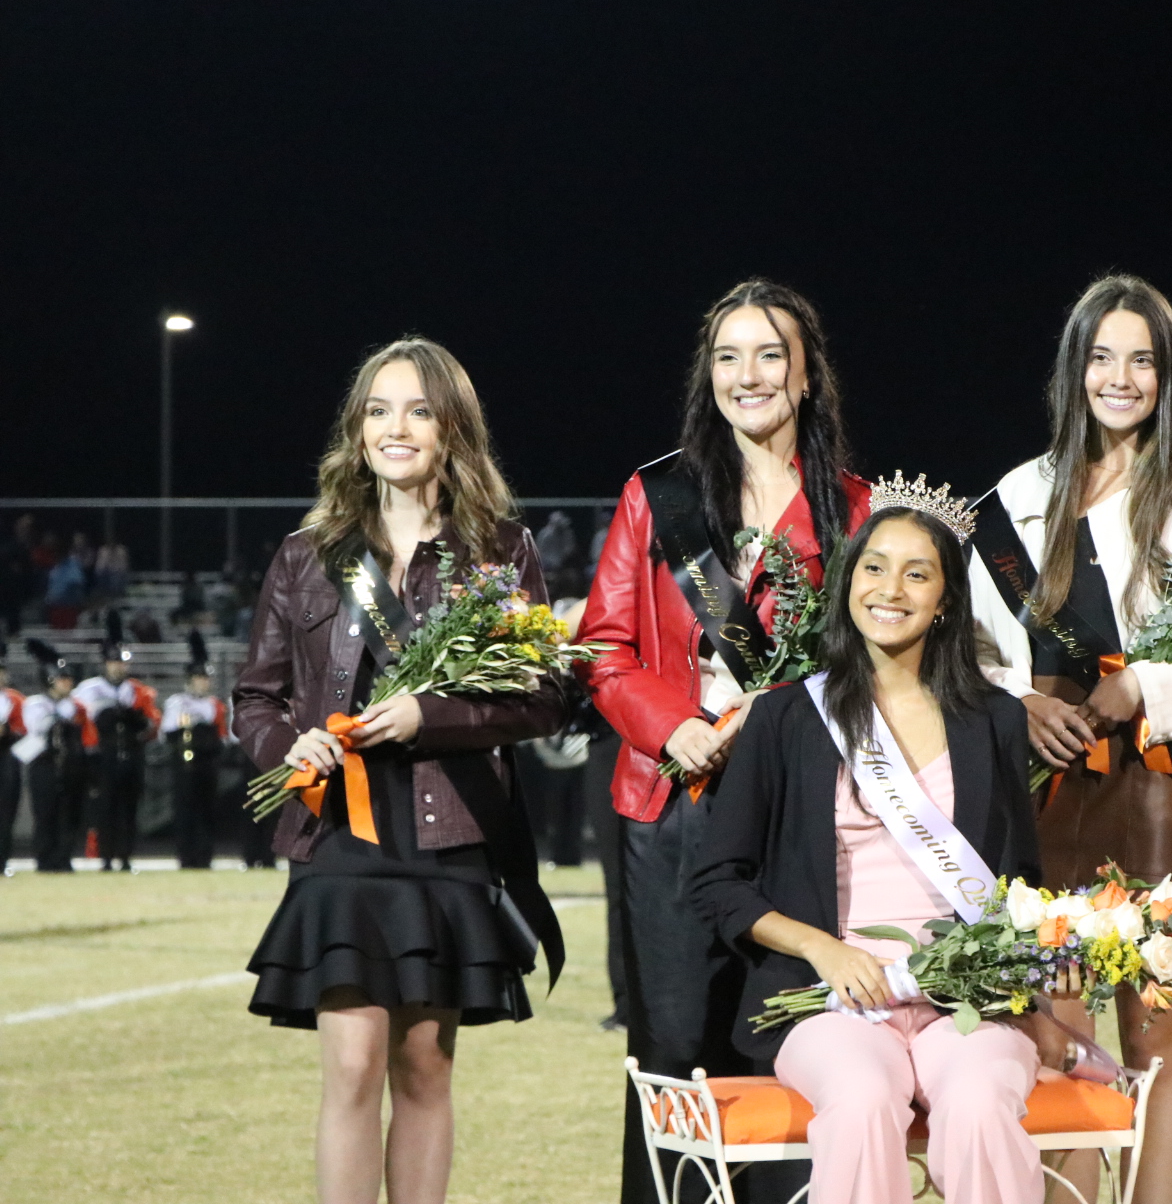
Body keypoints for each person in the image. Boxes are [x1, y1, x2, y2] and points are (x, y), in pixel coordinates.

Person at [968, 273, 1172, 1204]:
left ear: (1168, 373)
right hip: (1043, 787)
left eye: (1142, 360)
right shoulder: (1019, 493)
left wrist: (1146, 686)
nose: (1122, 377)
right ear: (1075, 369)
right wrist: (1014, 705)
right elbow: (969, 647)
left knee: (1156, 1039)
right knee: (1056, 1033)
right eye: (1104, 357)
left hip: (1163, 788)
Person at [236, 337, 567, 1204]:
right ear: (356, 430)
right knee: (351, 1065)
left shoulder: (499, 551)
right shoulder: (308, 554)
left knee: (423, 1069)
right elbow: (255, 699)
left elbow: (541, 700)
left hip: (451, 830)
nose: (396, 427)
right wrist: (288, 748)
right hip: (340, 834)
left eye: (419, 409)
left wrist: (436, 716)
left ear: (451, 430)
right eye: (379, 409)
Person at [577, 279, 870, 1204]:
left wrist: (764, 715)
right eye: (729, 357)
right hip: (670, 806)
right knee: (669, 1048)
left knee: (781, 1039)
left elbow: (873, 657)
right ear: (709, 378)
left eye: (771, 354)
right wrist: (676, 728)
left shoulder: (855, 510)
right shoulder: (656, 494)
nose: (750, 376)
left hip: (794, 818)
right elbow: (604, 647)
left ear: (808, 374)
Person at [690, 494, 1047, 1204]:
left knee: (980, 1102)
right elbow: (717, 882)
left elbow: (1020, 882)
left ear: (946, 599)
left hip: (962, 1002)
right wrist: (824, 949)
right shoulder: (786, 717)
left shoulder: (997, 719)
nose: (891, 589)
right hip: (830, 1001)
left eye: (918, 575)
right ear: (848, 583)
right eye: (875, 568)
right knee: (858, 1097)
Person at [73, 614, 160, 870]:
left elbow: (153, 724)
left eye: (121, 663)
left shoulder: (138, 690)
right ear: (104, 663)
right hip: (103, 757)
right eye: (112, 662)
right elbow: (80, 723)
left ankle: (125, 856)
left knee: (129, 810)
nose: (117, 668)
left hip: (131, 755)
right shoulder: (88, 690)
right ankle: (106, 857)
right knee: (104, 810)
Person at [18, 642, 95, 871]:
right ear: (50, 679)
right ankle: (45, 860)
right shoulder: (35, 704)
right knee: (46, 815)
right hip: (44, 765)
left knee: (69, 815)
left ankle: (64, 859)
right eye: (63, 678)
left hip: (70, 765)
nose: (68, 682)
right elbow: (37, 730)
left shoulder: (76, 706)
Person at [164, 634, 229, 869]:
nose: (204, 683)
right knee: (185, 813)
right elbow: (169, 732)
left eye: (206, 678)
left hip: (207, 765)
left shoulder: (215, 705)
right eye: (200, 678)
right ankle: (186, 857)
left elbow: (221, 736)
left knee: (206, 813)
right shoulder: (176, 702)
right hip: (183, 765)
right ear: (190, 679)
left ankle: (204, 857)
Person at [0, 651, 25, 872]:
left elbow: (26, 730)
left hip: (7, 756)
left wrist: (8, 731)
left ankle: (3, 861)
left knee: (6, 813)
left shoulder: (15, 699)